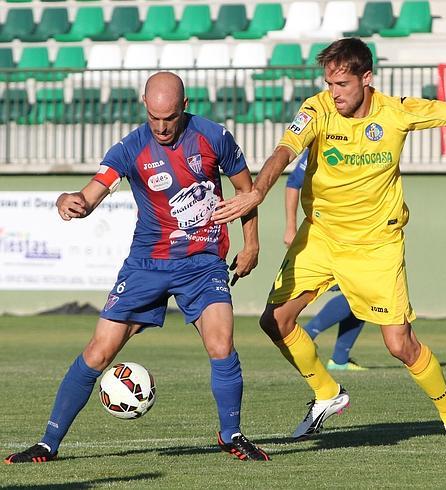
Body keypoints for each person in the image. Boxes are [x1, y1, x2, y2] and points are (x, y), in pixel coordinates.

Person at [212, 38, 446, 453]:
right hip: (321, 236)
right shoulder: (317, 109)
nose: (334, 92)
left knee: (400, 345)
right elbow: (284, 152)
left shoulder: (396, 111)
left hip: (376, 245)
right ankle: (327, 391)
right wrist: (258, 192)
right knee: (275, 320)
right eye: (328, 83)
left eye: (342, 83)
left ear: (366, 78)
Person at [5, 72, 270, 464]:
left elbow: (246, 193)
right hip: (147, 263)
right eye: (154, 118)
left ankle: (231, 434)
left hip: (202, 260)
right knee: (98, 352)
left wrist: (252, 244)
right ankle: (47, 443)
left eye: (170, 117)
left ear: (185, 105)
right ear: (144, 105)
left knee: (221, 343)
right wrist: (70, 199)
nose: (162, 127)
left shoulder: (214, 137)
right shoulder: (131, 148)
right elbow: (92, 193)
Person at [285, 149, 366, 371]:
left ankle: (339, 359)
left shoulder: (363, 142)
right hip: (330, 235)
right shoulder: (323, 143)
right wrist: (290, 227)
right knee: (358, 292)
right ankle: (307, 335)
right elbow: (293, 182)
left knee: (362, 295)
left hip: (358, 234)